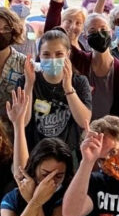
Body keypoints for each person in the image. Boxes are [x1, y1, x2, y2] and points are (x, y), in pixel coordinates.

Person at [25, 29, 92, 159]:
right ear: (39, 55)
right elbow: (23, 121)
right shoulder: (27, 80)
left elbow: (84, 122)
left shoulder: (79, 82)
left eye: (59, 54)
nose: (53, 59)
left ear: (68, 54)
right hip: (36, 153)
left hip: (67, 154)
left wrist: (68, 87)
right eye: (46, 54)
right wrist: (29, 85)